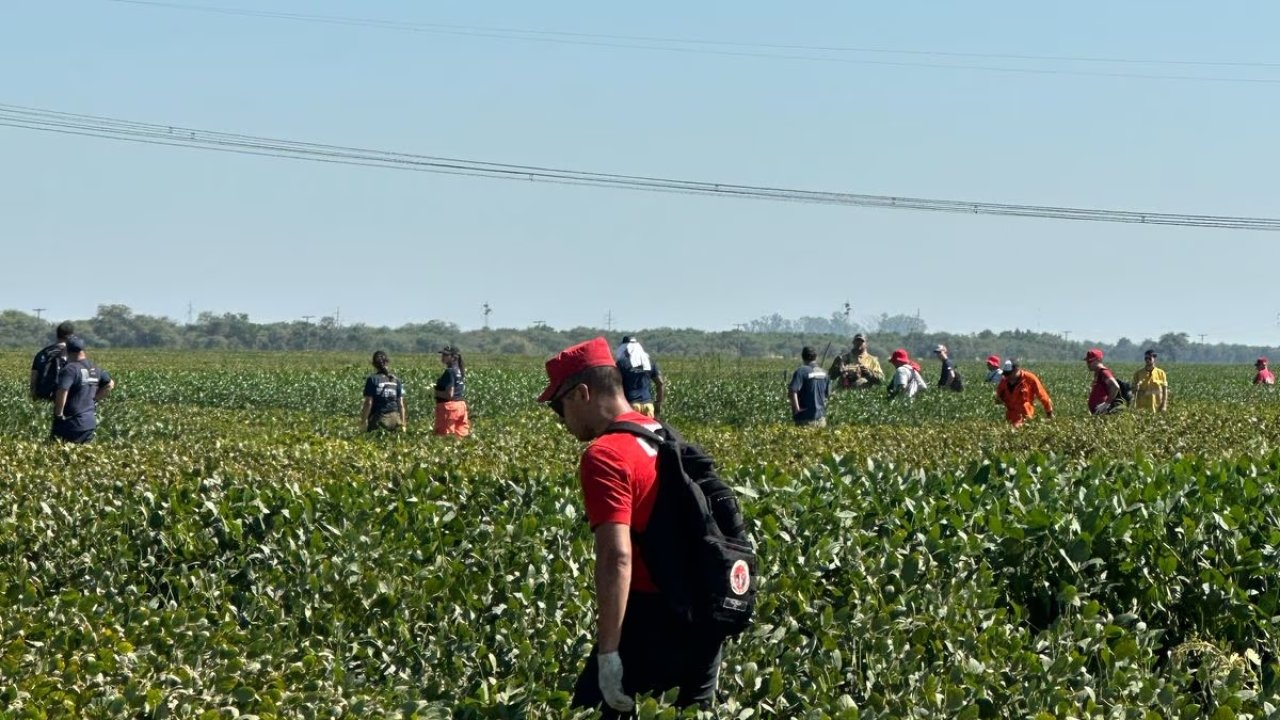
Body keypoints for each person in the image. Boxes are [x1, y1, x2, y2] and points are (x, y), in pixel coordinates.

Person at [538, 337, 723, 717]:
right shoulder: (661, 433)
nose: (561, 420)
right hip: (704, 615)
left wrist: (609, 655)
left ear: (582, 393)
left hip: (650, 621)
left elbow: (616, 557)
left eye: (559, 407)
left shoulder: (604, 455)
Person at [51, 336, 114, 443]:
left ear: (67, 350)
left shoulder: (70, 369)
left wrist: (59, 414)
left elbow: (63, 391)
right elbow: (110, 384)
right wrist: (95, 400)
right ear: (83, 350)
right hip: (89, 423)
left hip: (71, 423)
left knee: (58, 455)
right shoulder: (94, 368)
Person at [615, 336, 665, 418]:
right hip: (648, 405)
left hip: (630, 405)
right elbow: (660, 383)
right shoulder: (649, 362)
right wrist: (658, 403)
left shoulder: (621, 363)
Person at [995, 359, 1053, 427]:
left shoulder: (1030, 378)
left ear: (1016, 370)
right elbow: (998, 398)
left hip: (1025, 417)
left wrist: (1049, 413)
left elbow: (1043, 396)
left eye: (1009, 374)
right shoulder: (1004, 381)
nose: (1007, 376)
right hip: (1009, 418)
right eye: (1006, 374)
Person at [29, 321, 76, 401]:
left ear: (57, 335)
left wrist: (34, 398)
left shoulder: (42, 353)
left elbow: (33, 380)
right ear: (71, 336)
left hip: (43, 398)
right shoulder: (72, 354)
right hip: (64, 400)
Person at [360, 350, 406, 432]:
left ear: (373, 364)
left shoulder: (372, 379)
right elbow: (401, 405)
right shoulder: (396, 380)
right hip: (395, 420)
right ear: (387, 362)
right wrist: (403, 424)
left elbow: (368, 403)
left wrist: (363, 422)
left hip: (379, 420)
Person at [788, 346, 831, 426]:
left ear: (803, 357)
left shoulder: (801, 371)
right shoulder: (824, 373)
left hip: (805, 419)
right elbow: (827, 394)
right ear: (816, 357)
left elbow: (793, 391)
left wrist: (797, 409)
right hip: (821, 419)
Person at [434, 345, 471, 437]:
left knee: (445, 436)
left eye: (446, 355)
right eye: (443, 355)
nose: (443, 357)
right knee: (460, 436)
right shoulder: (459, 370)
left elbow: (449, 394)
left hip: (449, 407)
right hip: (460, 406)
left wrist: (434, 392)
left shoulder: (449, 371)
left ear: (454, 357)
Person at [1084, 348, 1124, 415]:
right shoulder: (1098, 373)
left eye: (1090, 361)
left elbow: (1115, 386)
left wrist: (1106, 403)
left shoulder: (1104, 372)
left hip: (1104, 412)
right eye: (1087, 361)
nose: (1088, 364)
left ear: (1098, 360)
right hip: (1098, 413)